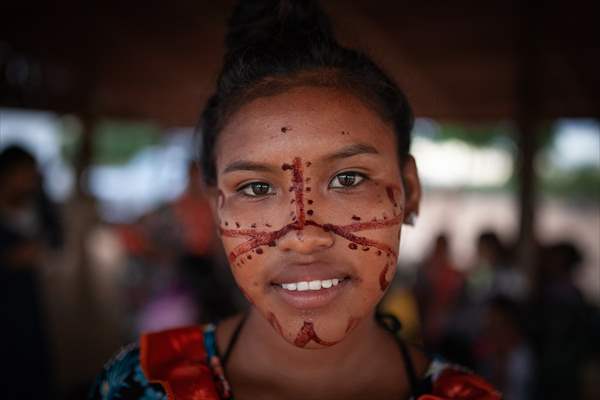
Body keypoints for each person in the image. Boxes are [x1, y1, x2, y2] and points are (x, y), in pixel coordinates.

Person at [90, 1, 501, 399]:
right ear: (217, 207)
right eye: (256, 188)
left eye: (348, 178)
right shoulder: (138, 384)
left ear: (410, 192)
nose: (303, 236)